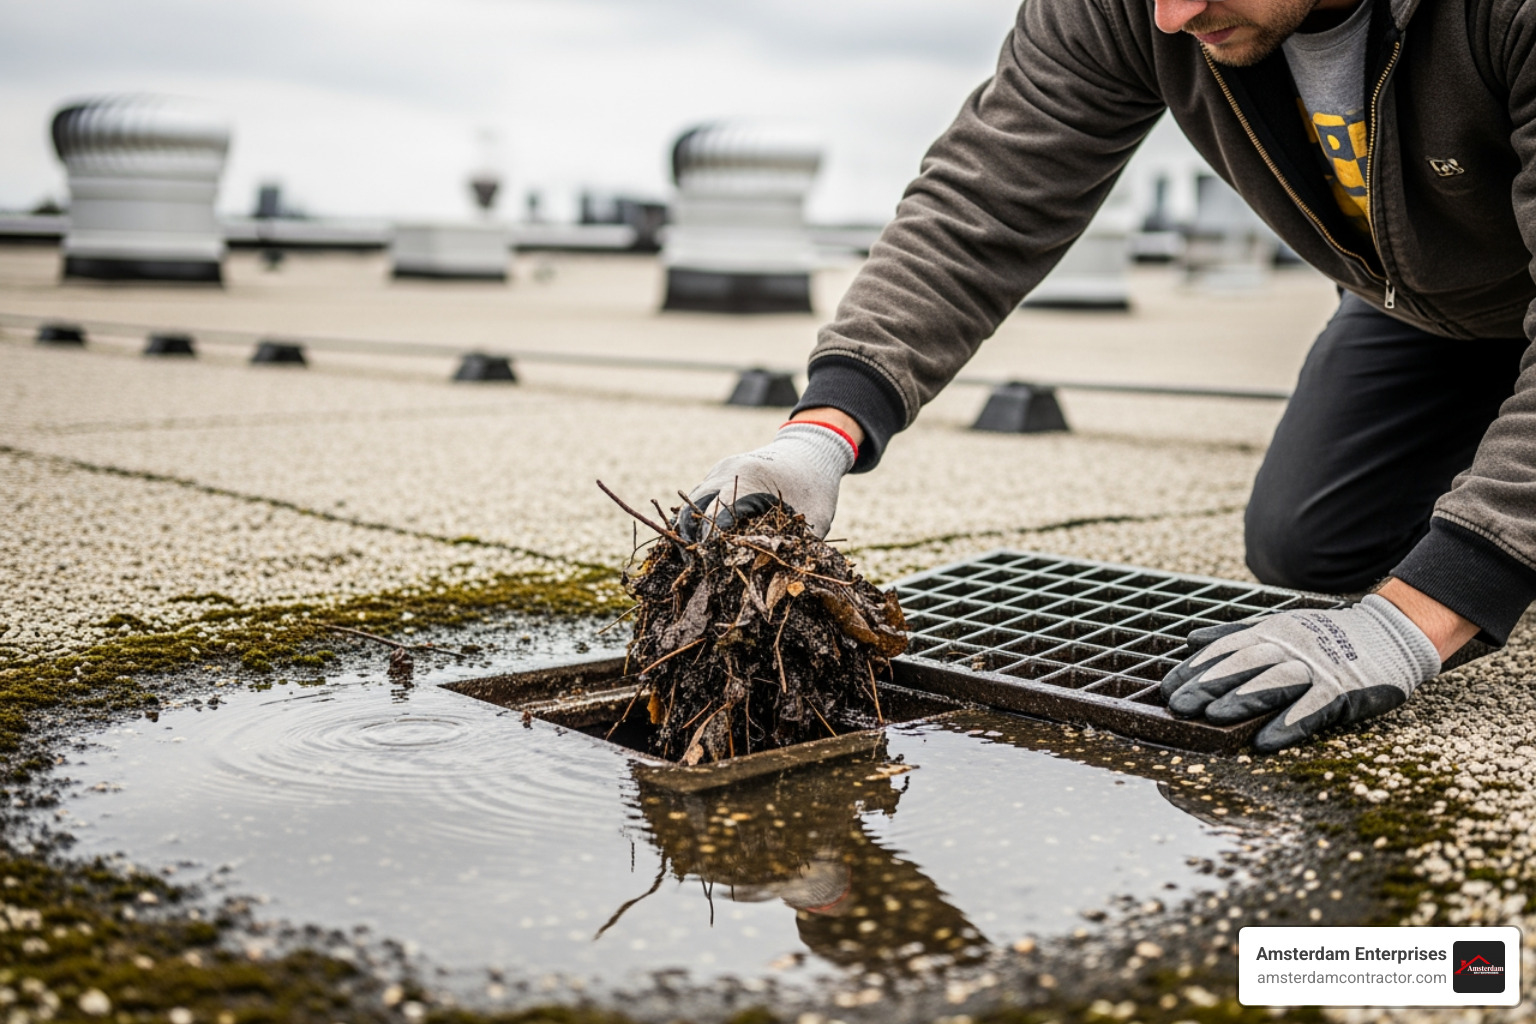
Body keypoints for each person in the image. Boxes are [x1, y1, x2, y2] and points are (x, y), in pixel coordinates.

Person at [677, 0, 1536, 752]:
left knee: (1465, 571)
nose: (1169, 15)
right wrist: (822, 432)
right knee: (1309, 548)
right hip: (1422, 305)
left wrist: (1412, 619)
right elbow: (986, 199)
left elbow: (1429, 606)